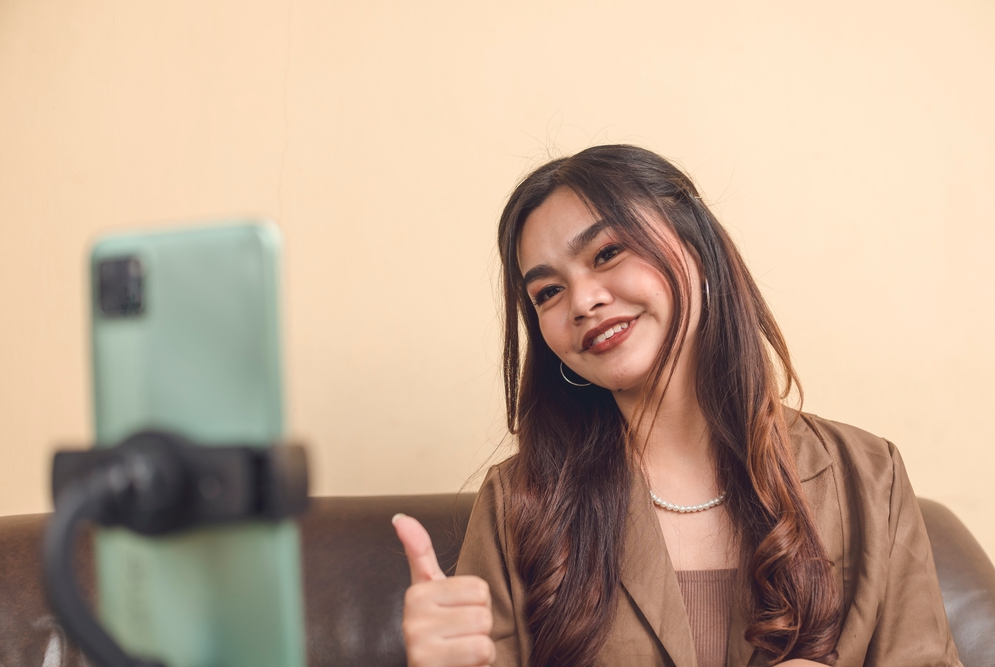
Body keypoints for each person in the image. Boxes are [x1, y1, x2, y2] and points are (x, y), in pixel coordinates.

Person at [392, 145, 961, 667]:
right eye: (548, 292)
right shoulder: (519, 504)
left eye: (608, 252)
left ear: (699, 250)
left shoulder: (869, 476)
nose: (584, 301)